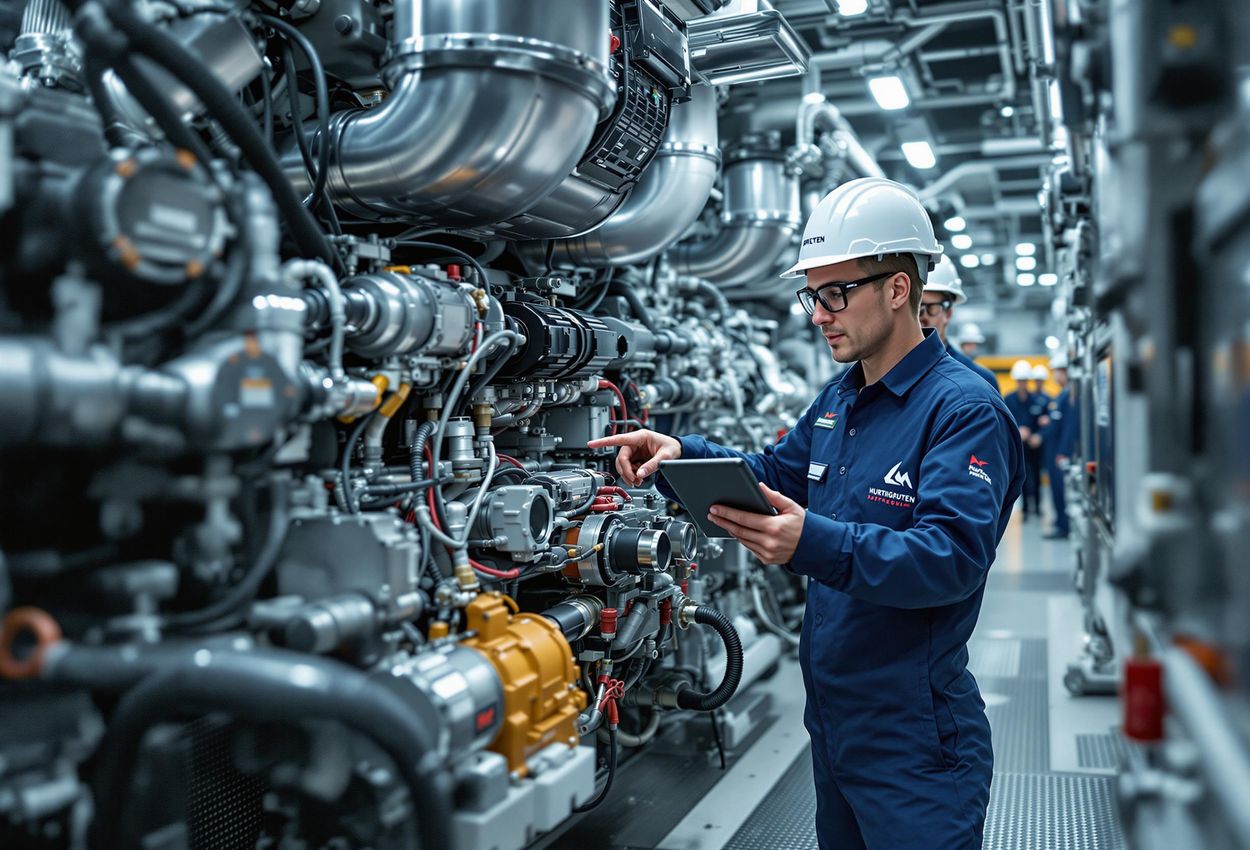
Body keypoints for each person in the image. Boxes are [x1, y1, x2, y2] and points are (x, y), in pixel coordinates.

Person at [588, 176, 1024, 850]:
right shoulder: (840, 399)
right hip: (834, 723)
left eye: (835, 294)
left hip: (916, 736)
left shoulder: (962, 409)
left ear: (898, 289)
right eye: (813, 295)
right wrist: (679, 455)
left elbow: (950, 560)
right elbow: (773, 474)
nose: (818, 315)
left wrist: (810, 543)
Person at [919, 256, 999, 389]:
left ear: (948, 313)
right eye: (914, 307)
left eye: (931, 307)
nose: (921, 316)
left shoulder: (981, 380)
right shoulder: (887, 373)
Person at [1040, 353, 1075, 539]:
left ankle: (1064, 526)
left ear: (1065, 372)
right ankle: (1060, 521)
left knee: (1061, 489)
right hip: (1054, 448)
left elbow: (1070, 426)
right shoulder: (1063, 395)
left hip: (1059, 450)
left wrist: (1063, 452)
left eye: (1057, 371)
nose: (1055, 376)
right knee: (1055, 488)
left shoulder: (1068, 395)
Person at [1004, 359, 1043, 520]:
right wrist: (1018, 431)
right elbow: (1005, 422)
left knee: (1037, 475)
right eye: (1020, 380)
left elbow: (1043, 422)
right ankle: (1026, 509)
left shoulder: (1037, 400)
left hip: (1034, 446)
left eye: (1024, 380)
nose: (1022, 383)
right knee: (1022, 478)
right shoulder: (1008, 399)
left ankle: (1038, 507)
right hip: (1018, 447)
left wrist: (1036, 434)